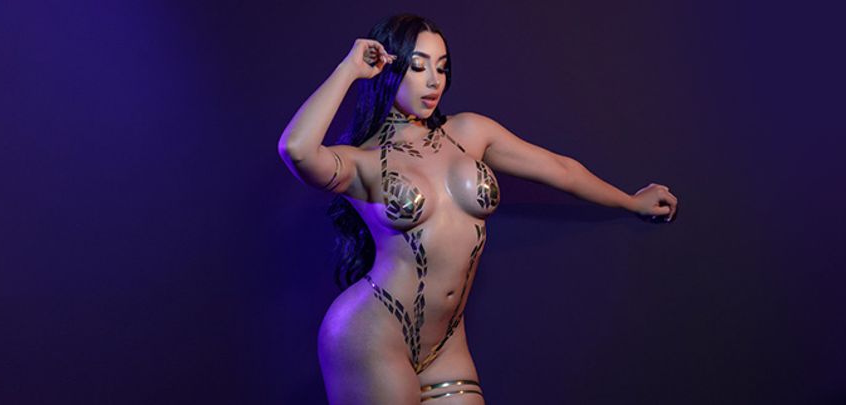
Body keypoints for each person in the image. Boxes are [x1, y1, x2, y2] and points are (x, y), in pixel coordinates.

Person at [277, 13, 680, 404]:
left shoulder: (469, 132)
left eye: (442, 67)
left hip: (447, 343)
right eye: (418, 67)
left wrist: (631, 200)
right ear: (388, 69)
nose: (434, 81)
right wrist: (350, 69)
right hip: (373, 337)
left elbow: (560, 170)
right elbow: (296, 149)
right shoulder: (361, 162)